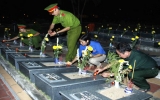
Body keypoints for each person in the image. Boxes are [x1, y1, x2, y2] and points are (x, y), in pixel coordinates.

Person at [94, 42, 159, 92]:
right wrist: (102, 69)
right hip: (140, 66)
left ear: (126, 52)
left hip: (152, 70)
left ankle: (145, 87)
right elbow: (116, 61)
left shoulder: (136, 57)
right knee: (120, 66)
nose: (119, 56)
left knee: (132, 75)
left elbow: (127, 71)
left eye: (119, 54)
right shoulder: (129, 54)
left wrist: (110, 74)